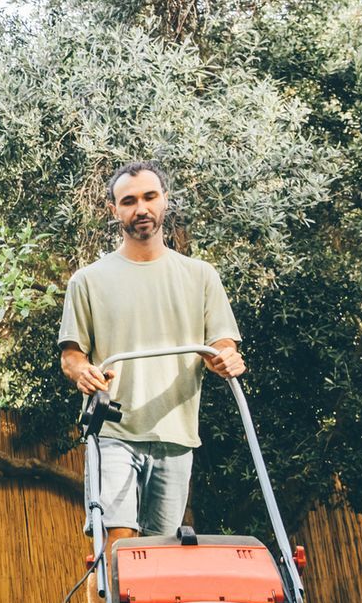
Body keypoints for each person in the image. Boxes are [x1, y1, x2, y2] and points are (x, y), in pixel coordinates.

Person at [58, 161, 245, 542]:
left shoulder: (200, 276)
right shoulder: (88, 281)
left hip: (176, 436)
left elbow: (223, 343)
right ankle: (105, 599)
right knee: (116, 542)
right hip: (112, 430)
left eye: (149, 197)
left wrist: (226, 358)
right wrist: (83, 373)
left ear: (164, 201)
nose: (140, 208)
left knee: (163, 555)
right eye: (128, 201)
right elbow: (71, 356)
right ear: (114, 210)